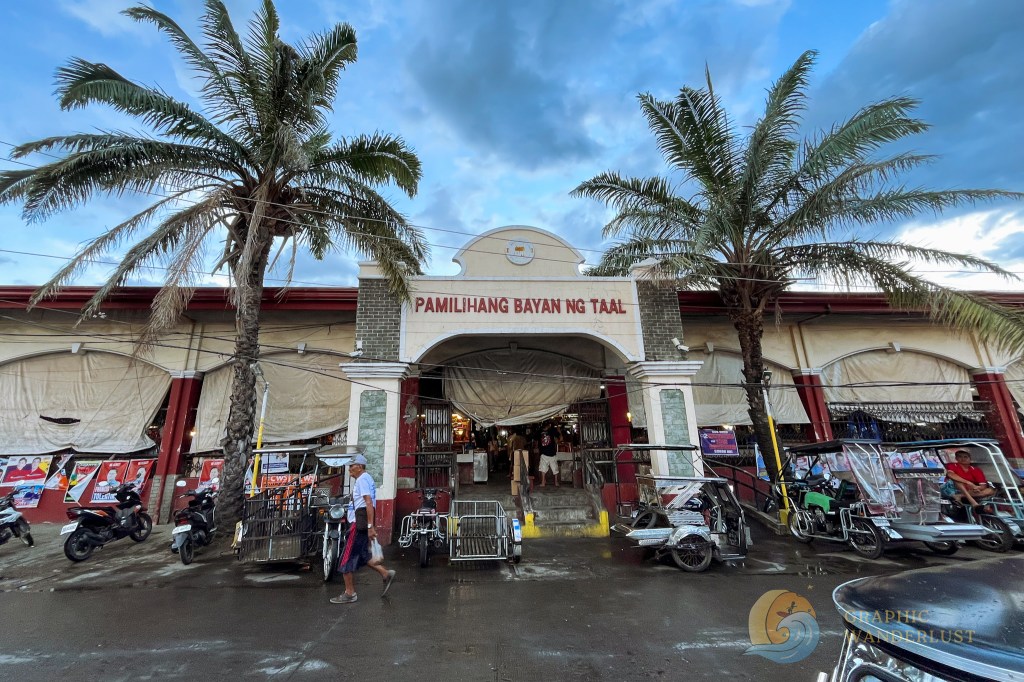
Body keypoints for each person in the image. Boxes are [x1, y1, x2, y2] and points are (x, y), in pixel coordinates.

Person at [331, 455, 395, 604]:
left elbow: (368, 502)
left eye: (351, 466)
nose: (349, 469)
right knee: (362, 555)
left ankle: (350, 593)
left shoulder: (362, 480)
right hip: (361, 522)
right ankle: (385, 573)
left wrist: (370, 526)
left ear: (359, 466)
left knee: (345, 558)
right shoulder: (366, 479)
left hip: (358, 524)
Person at [538, 421, 561, 488]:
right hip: (551, 453)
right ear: (549, 425)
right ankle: (556, 482)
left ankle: (543, 482)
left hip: (544, 453)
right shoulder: (552, 430)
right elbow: (559, 436)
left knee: (543, 469)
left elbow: (534, 438)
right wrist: (558, 429)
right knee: (555, 469)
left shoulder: (539, 431)